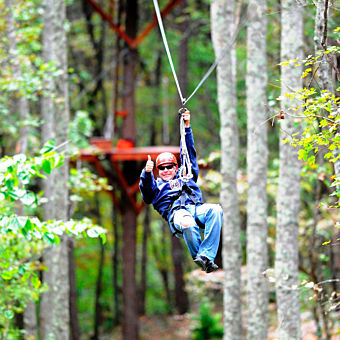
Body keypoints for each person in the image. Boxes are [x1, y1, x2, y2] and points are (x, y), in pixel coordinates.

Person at [139, 110, 222, 273]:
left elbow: (189, 153)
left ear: (175, 167)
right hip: (177, 215)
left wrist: (187, 126)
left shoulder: (186, 175)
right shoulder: (156, 186)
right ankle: (200, 258)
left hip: (196, 209)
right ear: (158, 170)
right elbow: (147, 194)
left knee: (216, 210)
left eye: (169, 166)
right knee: (187, 222)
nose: (166, 170)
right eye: (162, 168)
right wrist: (147, 173)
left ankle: (206, 256)